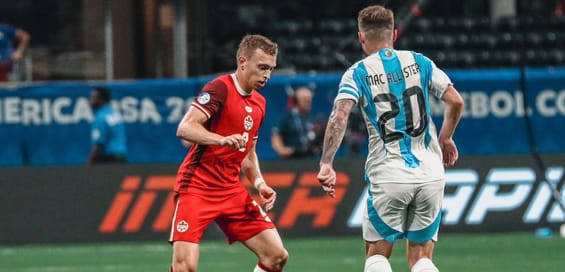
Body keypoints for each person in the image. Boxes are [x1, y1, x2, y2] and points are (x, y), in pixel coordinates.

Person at [316, 5, 464, 272]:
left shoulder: (357, 73)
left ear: (361, 37)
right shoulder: (420, 62)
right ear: (394, 34)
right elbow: (456, 101)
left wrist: (327, 163)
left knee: (377, 256)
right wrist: (446, 138)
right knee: (422, 259)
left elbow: (339, 116)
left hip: (389, 173)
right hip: (430, 172)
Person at [169, 34, 288, 272]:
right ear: (242, 61)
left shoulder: (259, 104)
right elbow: (185, 127)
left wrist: (259, 182)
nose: (267, 75)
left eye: (271, 69)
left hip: (230, 189)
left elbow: (248, 153)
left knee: (276, 256)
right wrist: (221, 140)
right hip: (197, 187)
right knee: (185, 267)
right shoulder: (220, 88)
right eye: (262, 67)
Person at [271, 86, 321, 159]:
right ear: (296, 101)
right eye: (305, 100)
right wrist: (281, 150)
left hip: (309, 157)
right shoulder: (287, 118)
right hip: (291, 159)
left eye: (309, 100)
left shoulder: (312, 118)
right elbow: (276, 135)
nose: (308, 103)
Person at [88, 86, 127, 165]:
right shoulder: (114, 113)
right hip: (121, 159)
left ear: (100, 99)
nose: (90, 100)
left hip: (108, 161)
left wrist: (89, 162)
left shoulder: (100, 117)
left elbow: (99, 144)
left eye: (93, 97)